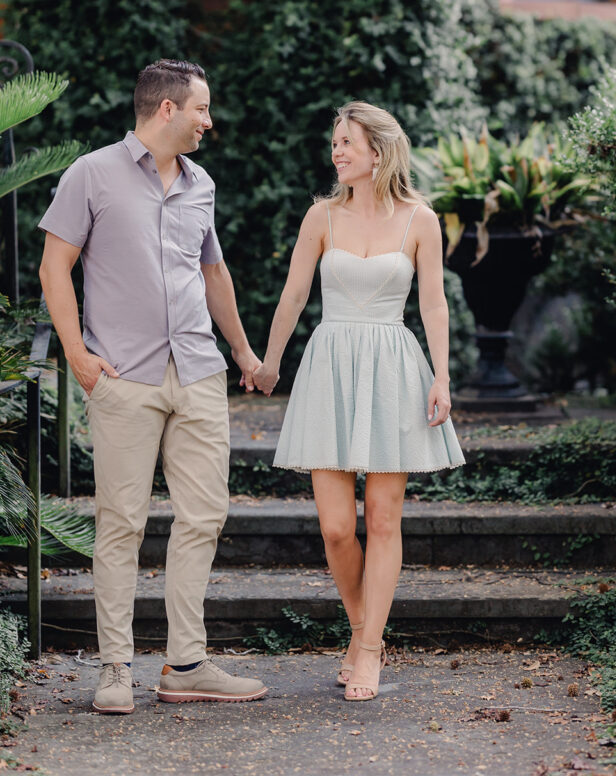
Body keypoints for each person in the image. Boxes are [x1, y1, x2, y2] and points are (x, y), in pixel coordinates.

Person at [38, 59, 267, 713]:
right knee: (120, 525)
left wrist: (243, 352)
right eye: (201, 108)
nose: (208, 121)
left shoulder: (201, 184)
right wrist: (78, 356)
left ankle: (186, 665)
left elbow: (213, 273)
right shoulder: (92, 173)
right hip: (123, 376)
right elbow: (55, 267)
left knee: (204, 516)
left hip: (197, 371)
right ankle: (115, 669)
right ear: (167, 109)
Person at [254, 101, 465, 702]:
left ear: (379, 150)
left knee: (385, 517)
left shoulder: (421, 220)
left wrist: (442, 377)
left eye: (347, 141)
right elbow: (294, 295)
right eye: (335, 142)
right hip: (330, 369)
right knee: (337, 527)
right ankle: (361, 629)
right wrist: (270, 361)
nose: (337, 151)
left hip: (394, 368)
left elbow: (434, 304)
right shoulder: (320, 216)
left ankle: (369, 650)